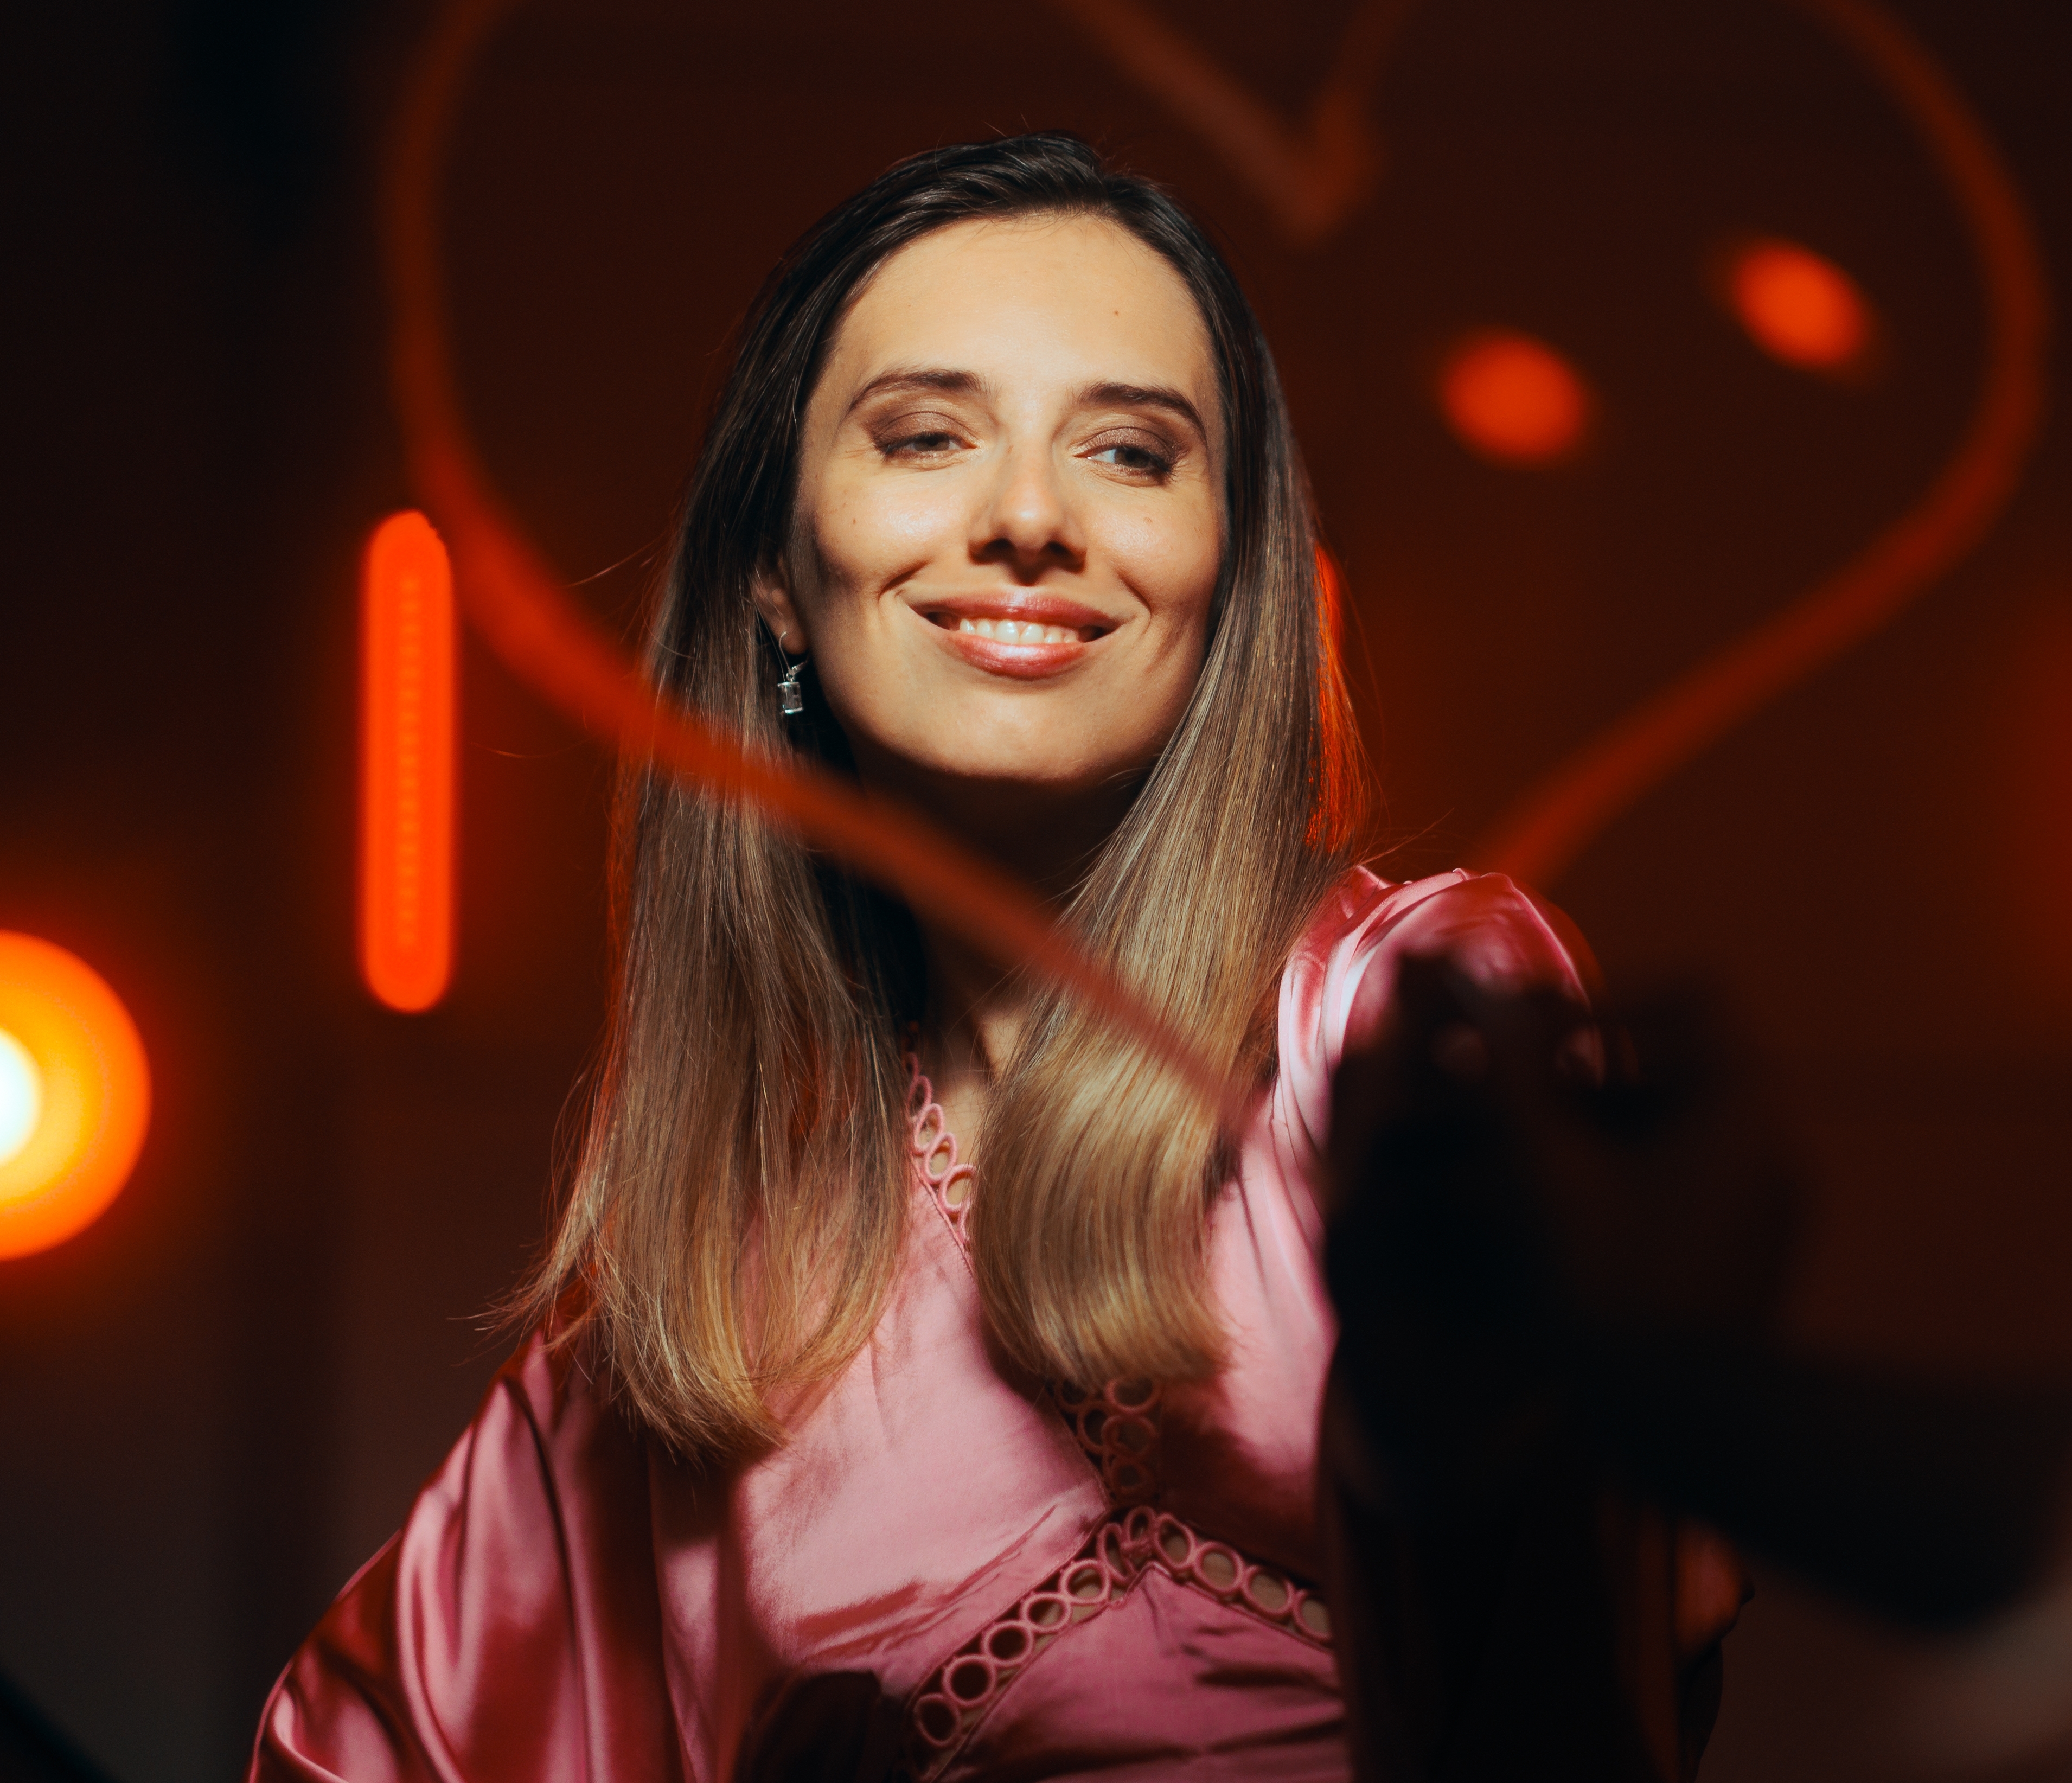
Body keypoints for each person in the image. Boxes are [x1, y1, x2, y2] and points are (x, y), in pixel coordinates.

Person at [249, 133, 1618, 1782]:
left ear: (1232, 576)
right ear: (774, 576)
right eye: (925, 436)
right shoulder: (686, 1329)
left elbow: (1590, 1656)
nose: (1031, 516)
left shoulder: (1403, 1021)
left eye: (1130, 451)